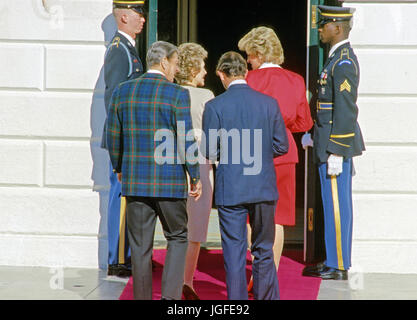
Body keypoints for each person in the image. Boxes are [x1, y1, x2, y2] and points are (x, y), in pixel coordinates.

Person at [106, 41, 202, 300]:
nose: (176, 68)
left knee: (140, 248)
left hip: (136, 182)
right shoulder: (177, 93)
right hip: (170, 184)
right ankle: (170, 300)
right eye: (175, 63)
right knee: (178, 237)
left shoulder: (123, 91)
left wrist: (118, 167)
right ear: (164, 62)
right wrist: (194, 175)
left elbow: (113, 136)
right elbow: (186, 139)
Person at [201, 51, 289, 300]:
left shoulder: (215, 106)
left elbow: (208, 150)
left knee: (234, 253)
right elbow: (282, 145)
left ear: (221, 74)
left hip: (231, 188)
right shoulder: (268, 103)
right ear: (246, 73)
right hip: (263, 185)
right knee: (263, 249)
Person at [238, 26, 313, 288]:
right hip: (284, 155)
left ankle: (259, 268)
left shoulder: (250, 79)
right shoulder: (296, 80)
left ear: (258, 53)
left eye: (249, 54)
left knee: (250, 216)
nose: (247, 60)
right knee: (278, 218)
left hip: (252, 153)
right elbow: (304, 123)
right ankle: (269, 276)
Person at [302, 5, 365, 280]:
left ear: (337, 28)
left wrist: (337, 150)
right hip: (326, 143)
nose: (319, 29)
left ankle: (339, 265)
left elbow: (346, 111)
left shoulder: (344, 62)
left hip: (334, 148)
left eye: (323, 24)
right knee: (331, 204)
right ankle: (332, 258)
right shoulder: (334, 59)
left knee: (338, 205)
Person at [101, 0, 146, 277]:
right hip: (123, 139)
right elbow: (114, 98)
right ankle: (118, 259)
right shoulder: (120, 50)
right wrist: (122, 139)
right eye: (138, 15)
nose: (143, 19)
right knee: (120, 196)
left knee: (128, 196)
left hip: (129, 138)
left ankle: (127, 254)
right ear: (124, 17)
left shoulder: (129, 47)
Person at [175, 43, 215, 300]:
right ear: (193, 67)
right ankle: (186, 281)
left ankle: (176, 280)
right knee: (197, 227)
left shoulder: (169, 91)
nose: (206, 72)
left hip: (171, 161)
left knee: (176, 226)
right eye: (202, 65)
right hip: (199, 161)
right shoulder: (206, 95)